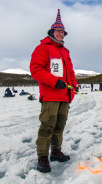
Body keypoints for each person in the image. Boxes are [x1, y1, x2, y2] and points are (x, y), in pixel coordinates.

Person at [30, 9, 77, 173]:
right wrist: (54, 81)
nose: (61, 34)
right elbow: (35, 69)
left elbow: (70, 73)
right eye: (58, 31)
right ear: (52, 32)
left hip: (64, 96)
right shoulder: (43, 47)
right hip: (50, 95)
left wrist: (74, 86)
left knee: (59, 126)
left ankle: (56, 152)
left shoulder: (65, 51)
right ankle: (42, 156)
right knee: (47, 126)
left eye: (62, 32)